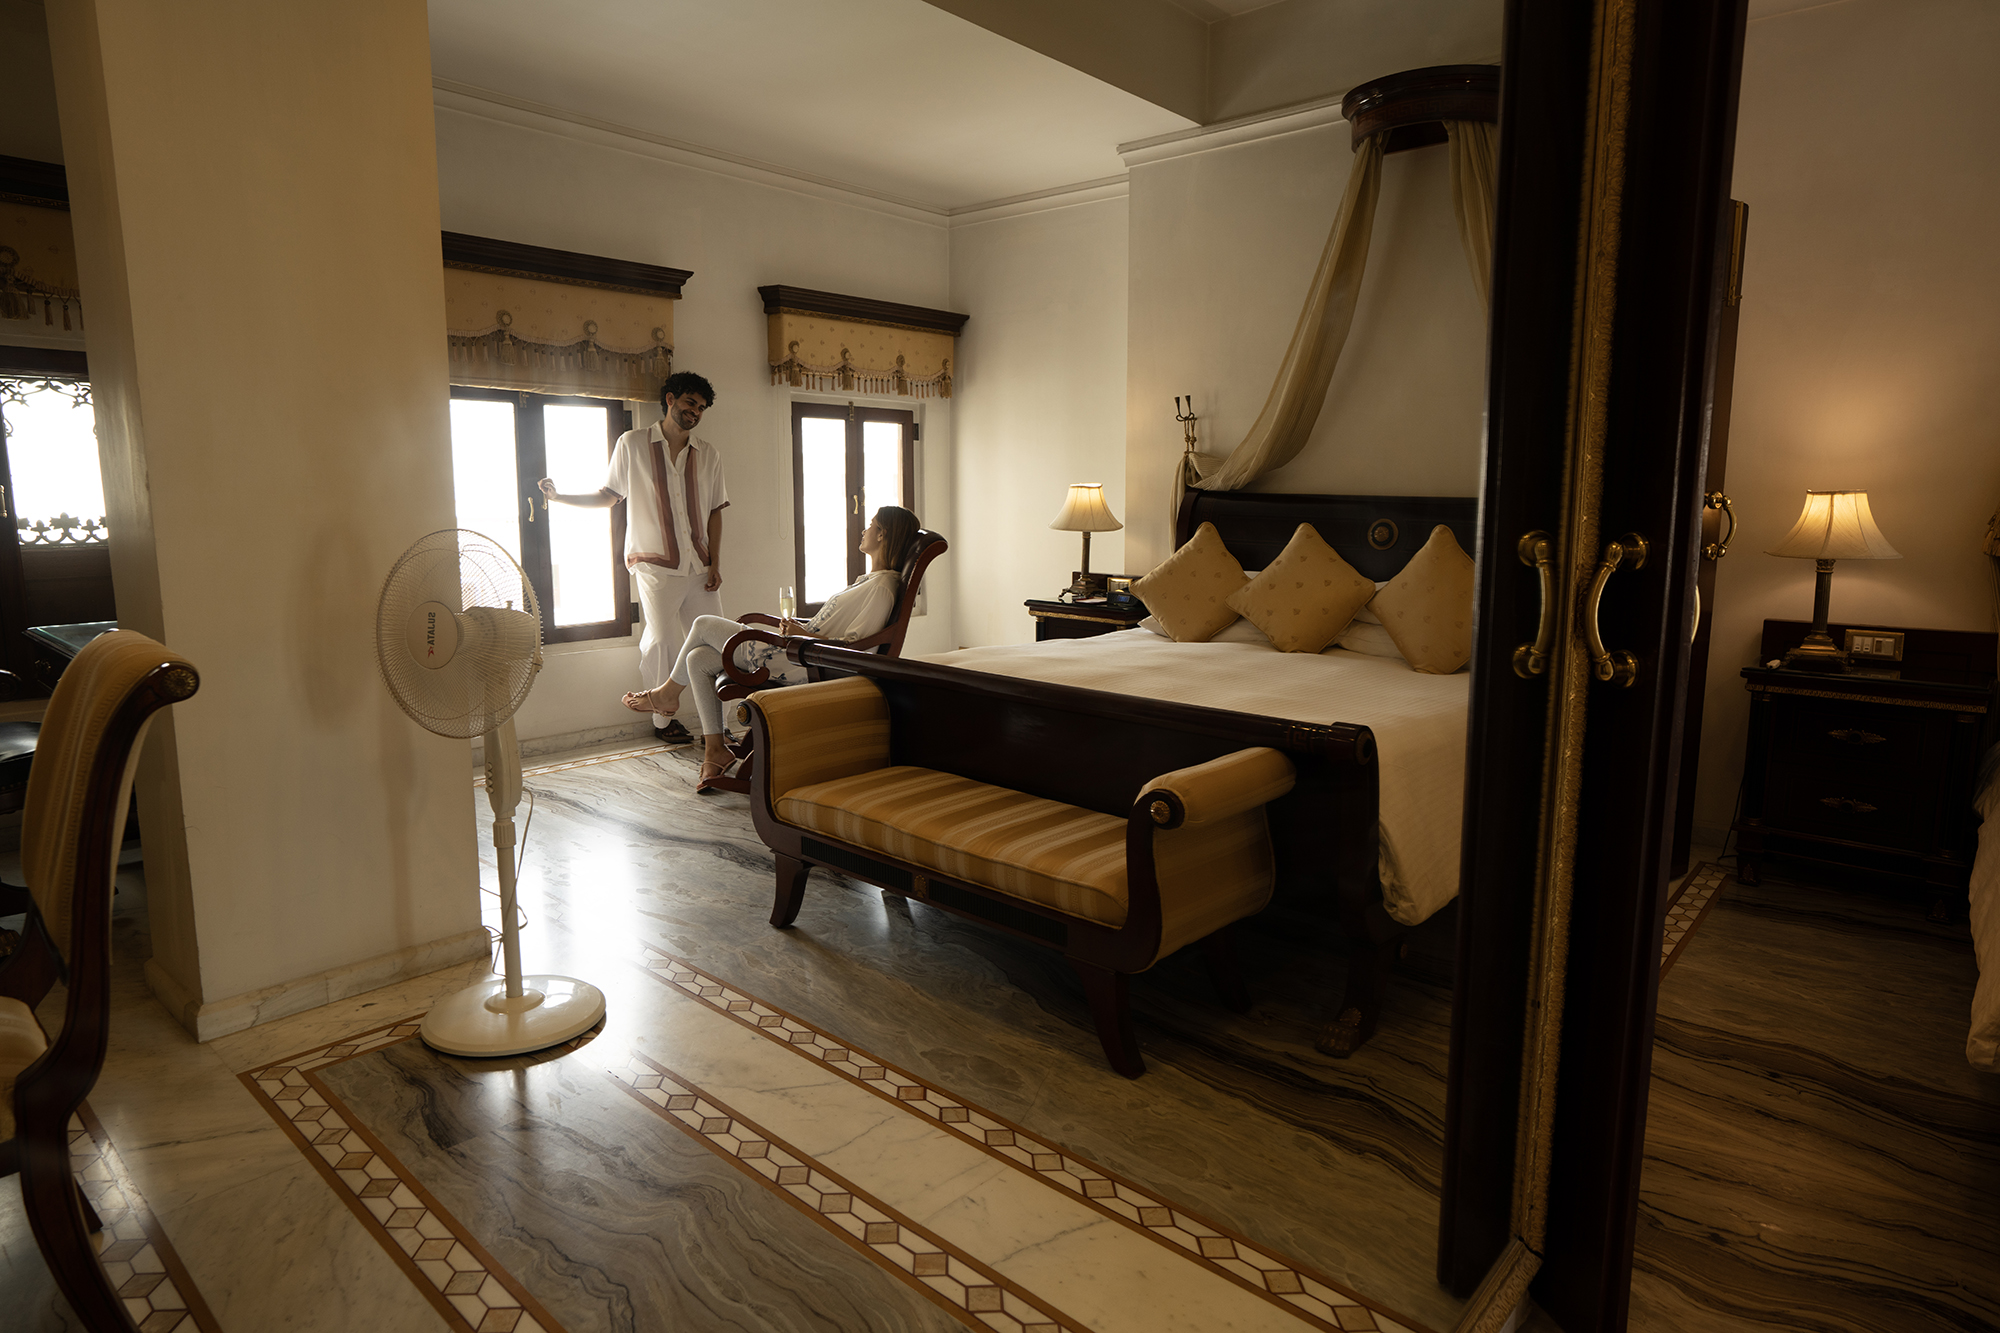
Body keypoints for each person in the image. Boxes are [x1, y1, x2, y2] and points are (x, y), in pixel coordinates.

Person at [624, 506, 921, 790]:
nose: (864, 530)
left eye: (871, 525)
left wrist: (804, 635)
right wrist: (801, 631)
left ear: (882, 534)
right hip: (798, 651)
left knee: (703, 624)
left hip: (805, 664)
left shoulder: (881, 588)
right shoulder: (869, 582)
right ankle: (715, 749)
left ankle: (667, 694)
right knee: (698, 658)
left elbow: (855, 650)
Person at [540, 371, 725, 744]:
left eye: (702, 408)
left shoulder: (708, 454)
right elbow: (608, 495)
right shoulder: (633, 443)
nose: (695, 412)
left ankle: (716, 728)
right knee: (662, 642)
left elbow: (715, 511)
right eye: (690, 403)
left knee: (717, 644)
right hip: (655, 566)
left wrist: (716, 563)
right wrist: (559, 498)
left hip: (700, 566)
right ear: (670, 399)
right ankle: (663, 720)